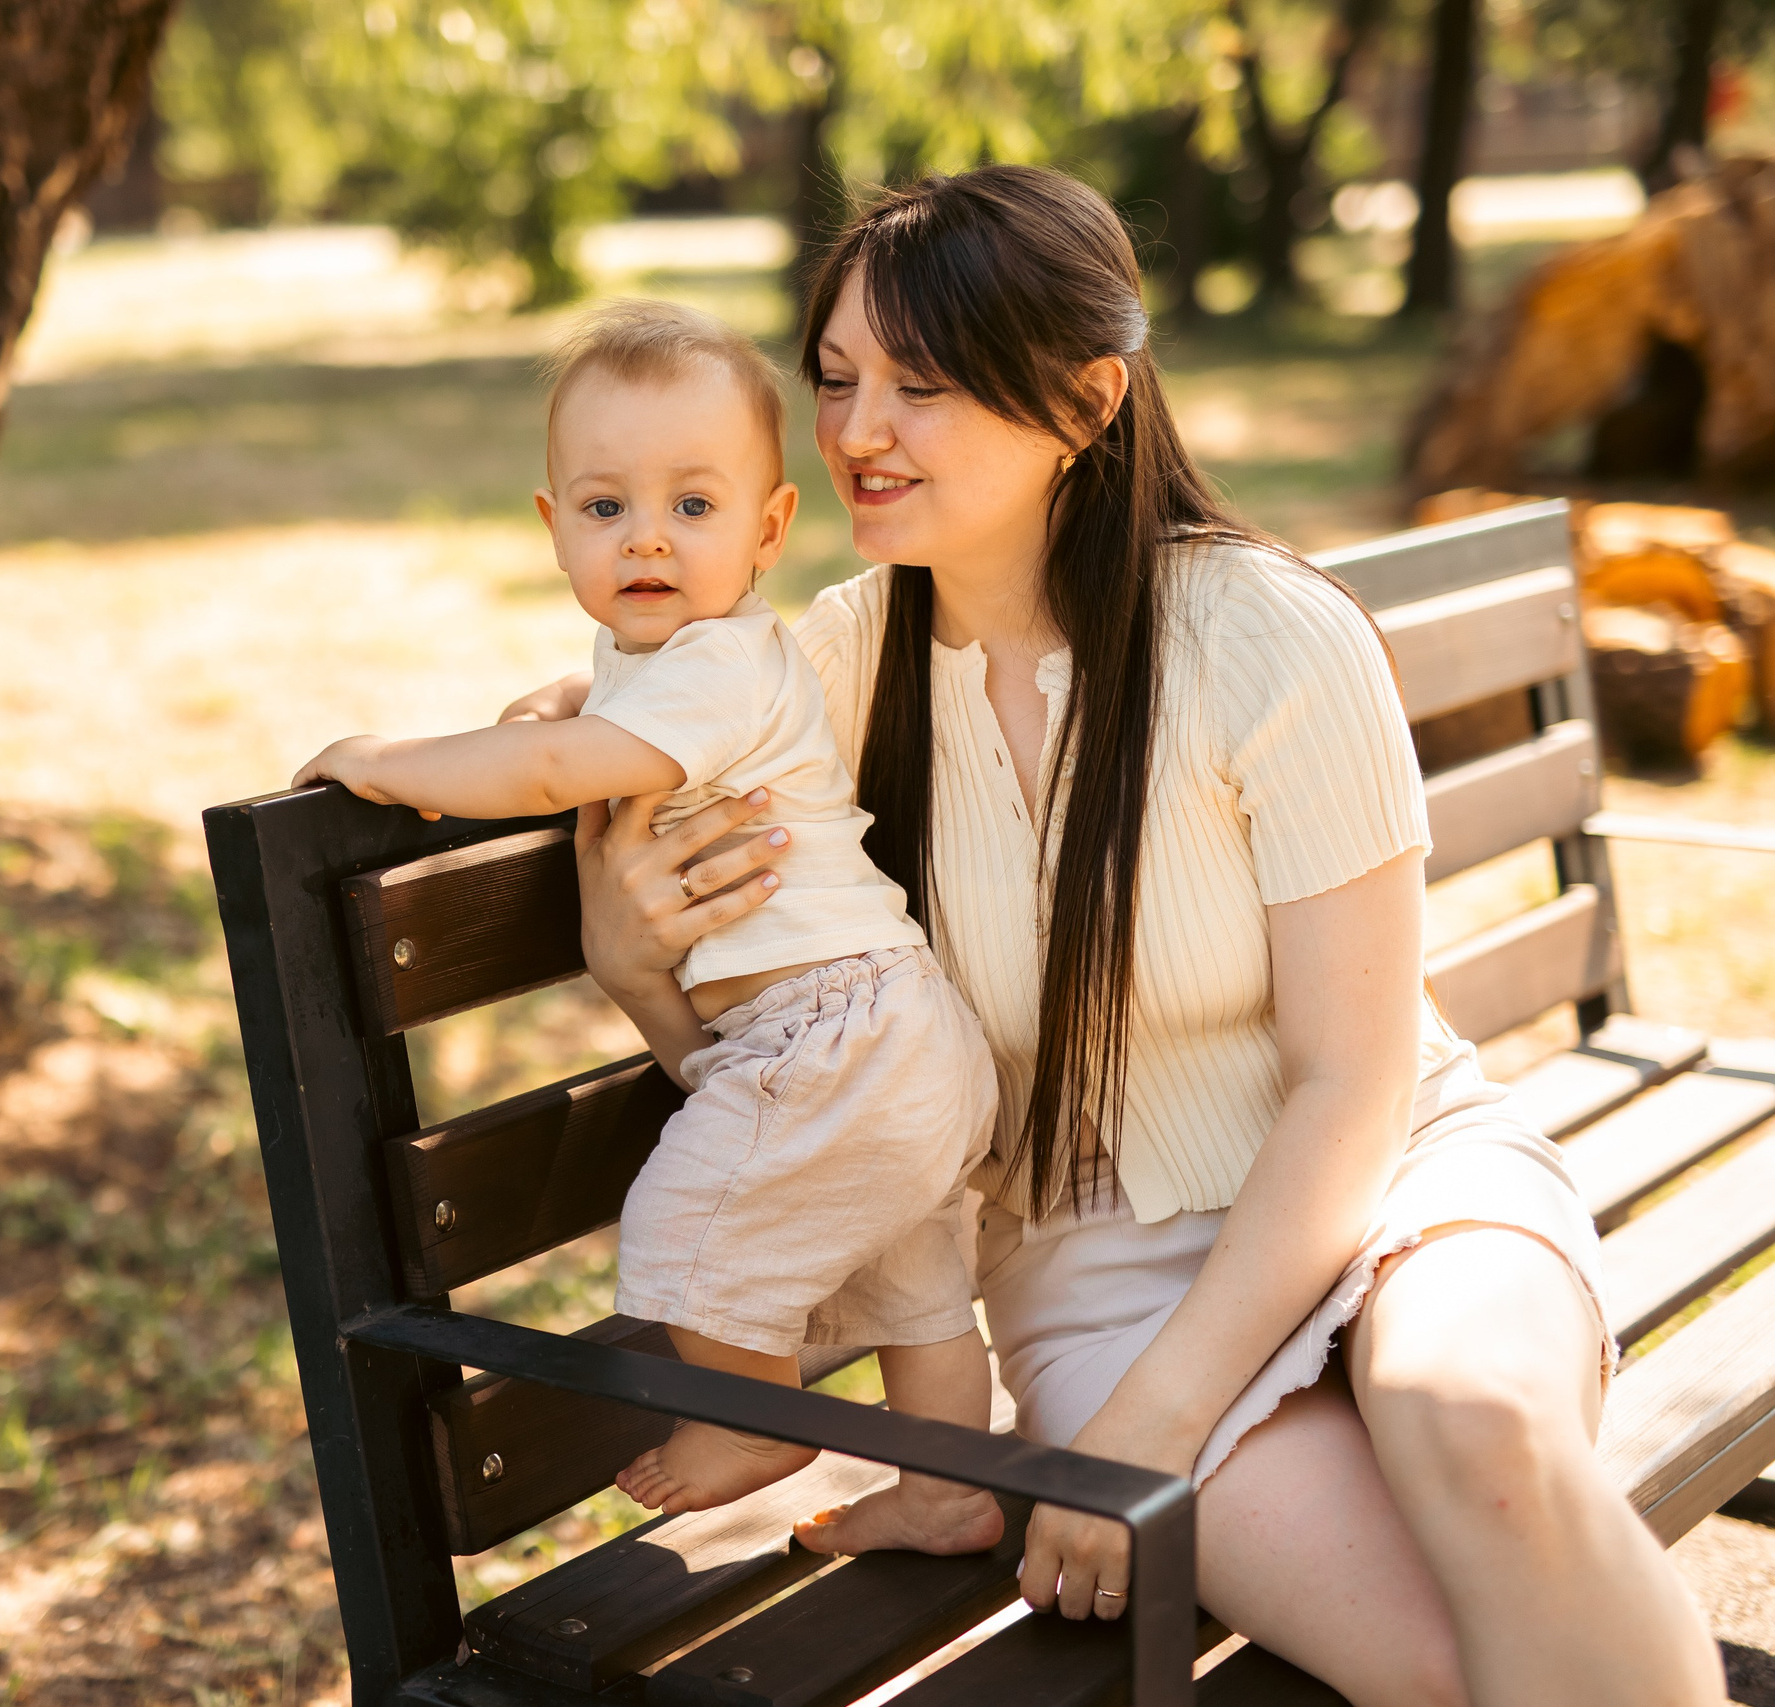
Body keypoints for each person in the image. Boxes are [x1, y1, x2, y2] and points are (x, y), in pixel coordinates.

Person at [502, 169, 1725, 1707]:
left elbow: (1352, 1081)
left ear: (1085, 399)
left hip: (1393, 1176)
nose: (858, 429)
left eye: (922, 384)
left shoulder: (1266, 633)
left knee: (1476, 1431)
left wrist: (1149, 1429)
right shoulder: (822, 675)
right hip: (1091, 1277)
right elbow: (797, 1050)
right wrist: (630, 964)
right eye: (835, 380)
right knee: (1440, 1667)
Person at [294, 300, 1004, 1538]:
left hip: (827, 1032)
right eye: (606, 507)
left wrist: (391, 761)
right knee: (915, 1284)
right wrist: (576, 689)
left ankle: (744, 1417)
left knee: (685, 1214)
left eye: (693, 506)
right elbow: (619, 712)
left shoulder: (715, 671)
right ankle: (949, 1491)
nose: (649, 542)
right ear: (553, 523)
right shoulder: (689, 658)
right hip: (896, 1037)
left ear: (769, 527)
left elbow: (553, 777)